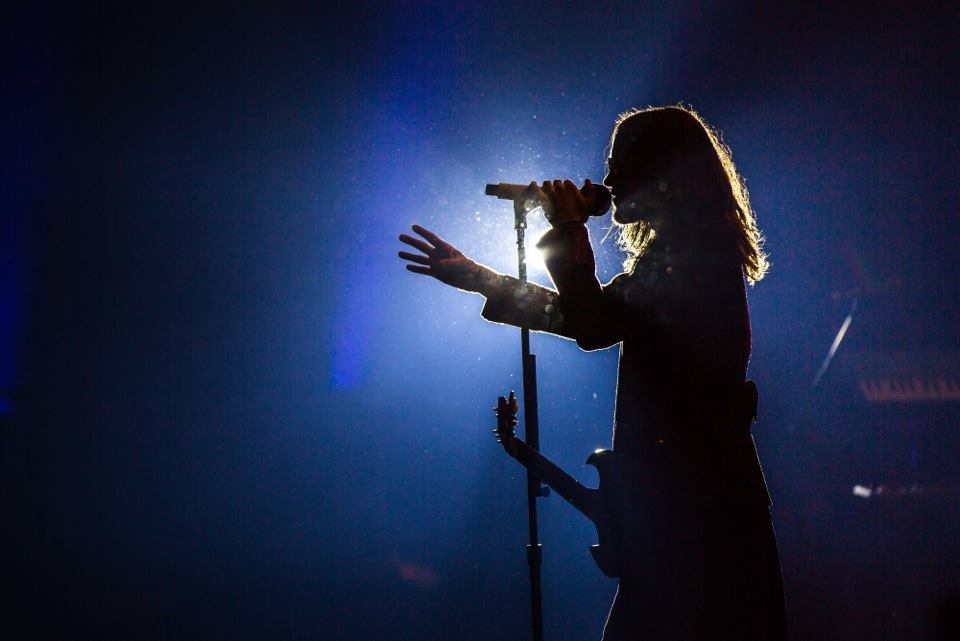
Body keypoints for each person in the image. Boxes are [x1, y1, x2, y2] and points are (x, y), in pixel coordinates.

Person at [399, 105, 787, 641]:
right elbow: (587, 316)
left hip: (700, 516)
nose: (607, 179)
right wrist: (479, 278)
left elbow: (593, 324)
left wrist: (567, 227)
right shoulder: (681, 256)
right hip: (687, 513)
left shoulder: (694, 260)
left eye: (620, 164)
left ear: (662, 174)